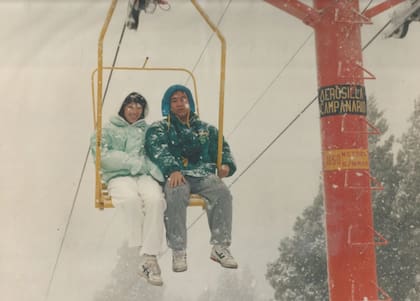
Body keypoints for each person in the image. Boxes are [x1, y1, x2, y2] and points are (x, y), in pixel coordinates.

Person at [145, 84, 238, 273]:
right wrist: (172, 169)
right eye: (174, 100)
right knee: (176, 193)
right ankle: (178, 249)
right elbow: (157, 150)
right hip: (178, 174)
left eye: (183, 99)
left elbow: (223, 148)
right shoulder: (161, 128)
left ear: (190, 102)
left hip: (202, 172)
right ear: (167, 105)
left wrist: (225, 165)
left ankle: (220, 246)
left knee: (221, 192)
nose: (180, 104)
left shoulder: (206, 130)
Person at [90, 92, 166, 286]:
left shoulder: (147, 131)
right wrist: (132, 162)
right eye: (130, 107)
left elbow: (154, 154)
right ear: (123, 108)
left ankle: (150, 258)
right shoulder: (107, 130)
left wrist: (154, 171)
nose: (134, 111)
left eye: (139, 108)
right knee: (131, 200)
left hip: (144, 175)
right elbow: (103, 157)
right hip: (119, 177)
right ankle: (144, 247)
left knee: (155, 200)